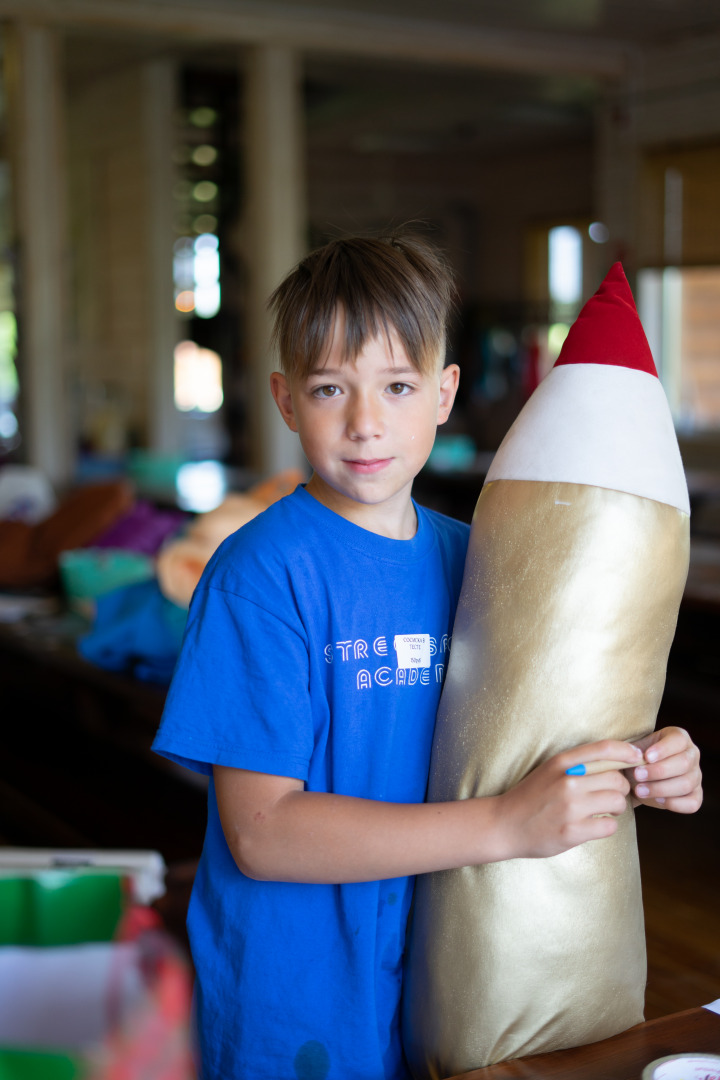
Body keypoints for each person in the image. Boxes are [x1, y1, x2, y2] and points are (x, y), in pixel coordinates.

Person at [152, 232, 703, 1080]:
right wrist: (504, 825)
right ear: (286, 400)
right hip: (296, 999)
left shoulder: (479, 561)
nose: (365, 422)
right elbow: (261, 833)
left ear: (445, 393)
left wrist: (647, 763)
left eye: (397, 386)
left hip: (447, 978)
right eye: (331, 387)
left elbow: (540, 723)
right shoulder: (260, 576)